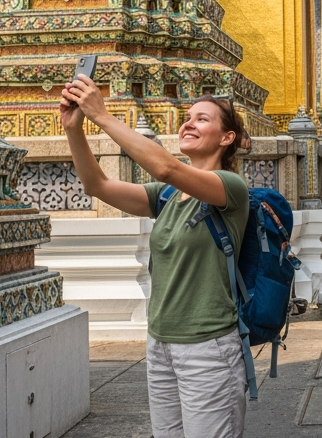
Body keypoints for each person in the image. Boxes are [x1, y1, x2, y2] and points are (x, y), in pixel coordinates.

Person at [61, 75, 249, 436]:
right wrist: (74, 129)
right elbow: (96, 185)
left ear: (227, 139)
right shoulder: (165, 196)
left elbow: (167, 167)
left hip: (208, 348)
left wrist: (102, 114)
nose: (188, 122)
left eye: (202, 119)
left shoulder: (230, 187)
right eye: (188, 116)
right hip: (161, 343)